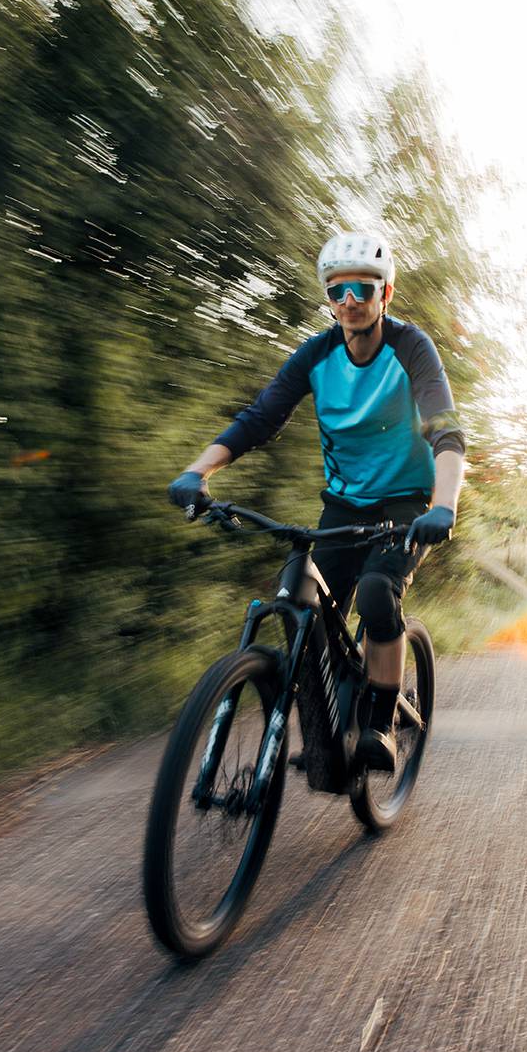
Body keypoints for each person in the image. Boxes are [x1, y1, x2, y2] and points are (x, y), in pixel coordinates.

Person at [168, 230, 466, 773]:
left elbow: (445, 433)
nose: (349, 300)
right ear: (328, 298)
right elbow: (259, 420)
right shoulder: (317, 355)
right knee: (298, 600)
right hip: (344, 504)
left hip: (406, 502)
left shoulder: (411, 349)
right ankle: (327, 735)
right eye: (337, 291)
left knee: (377, 594)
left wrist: (442, 506)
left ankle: (379, 723)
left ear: (385, 293)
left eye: (362, 288)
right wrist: (197, 471)